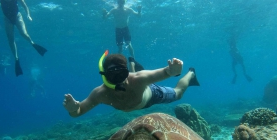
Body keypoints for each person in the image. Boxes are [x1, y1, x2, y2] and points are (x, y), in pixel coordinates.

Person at [63, 53, 200, 117]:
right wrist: (73, 109)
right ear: (104, 75)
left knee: (178, 94)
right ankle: (134, 63)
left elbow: (165, 72)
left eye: (121, 74)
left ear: (126, 72)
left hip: (152, 95)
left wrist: (173, 71)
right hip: (139, 94)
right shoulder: (100, 93)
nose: (118, 79)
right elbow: (78, 112)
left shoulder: (139, 78)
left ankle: (191, 74)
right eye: (112, 75)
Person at [0, 0, 47, 77]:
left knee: (23, 33)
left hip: (17, 16)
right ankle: (16, 58)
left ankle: (32, 42)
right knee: (11, 39)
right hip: (7, 18)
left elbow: (24, 5)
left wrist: (28, 15)